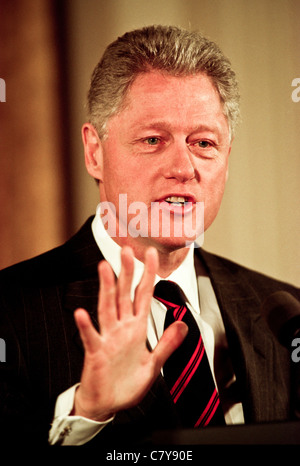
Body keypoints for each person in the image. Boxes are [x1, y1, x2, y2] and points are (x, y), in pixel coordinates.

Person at [0, 25, 299, 447]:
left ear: (226, 159)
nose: (183, 167)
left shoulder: (287, 318)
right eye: (153, 139)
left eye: (203, 143)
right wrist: (87, 413)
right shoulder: (8, 315)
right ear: (95, 152)